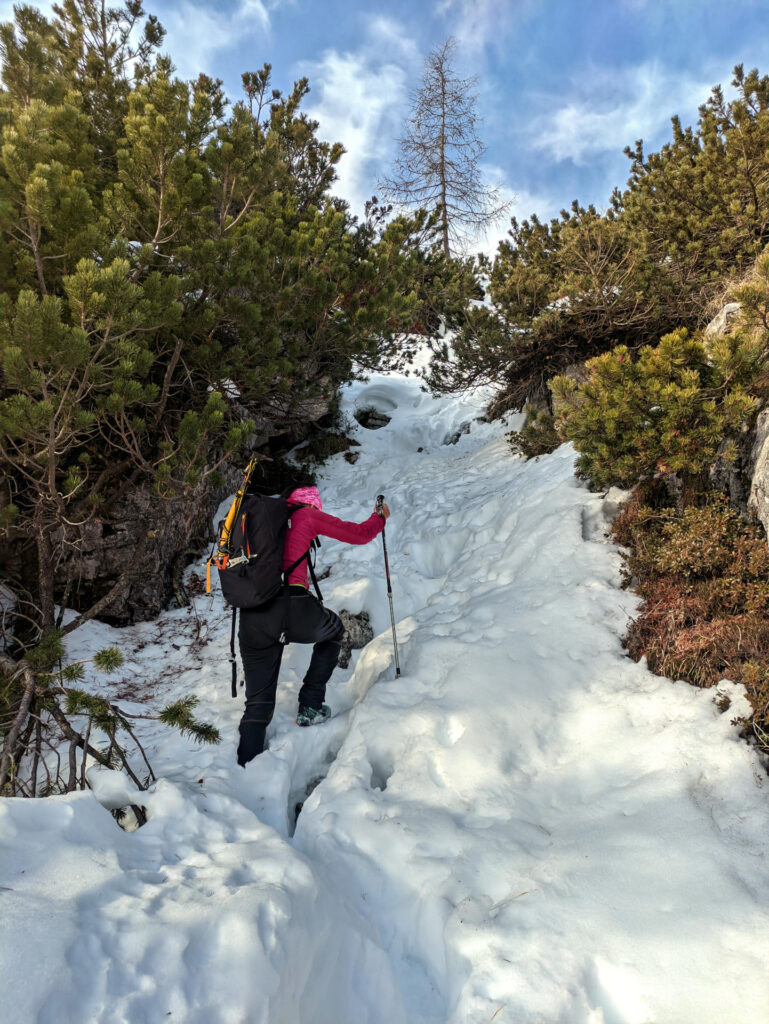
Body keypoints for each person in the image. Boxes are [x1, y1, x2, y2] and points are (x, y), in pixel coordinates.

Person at [236, 486, 390, 766]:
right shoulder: (306, 517)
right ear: (312, 506)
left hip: (251, 615)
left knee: (257, 702)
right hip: (293, 606)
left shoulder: (261, 523)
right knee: (334, 631)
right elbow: (359, 534)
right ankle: (310, 705)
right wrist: (379, 518)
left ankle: (246, 768)